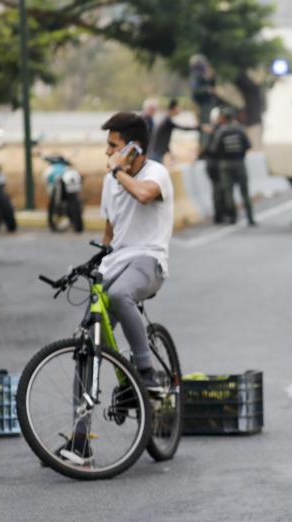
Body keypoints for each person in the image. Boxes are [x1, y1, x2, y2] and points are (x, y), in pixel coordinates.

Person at [99, 112, 174, 394]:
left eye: (113, 146)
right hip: (114, 265)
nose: (107, 152)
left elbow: (143, 194)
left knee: (119, 295)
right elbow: (109, 232)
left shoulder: (156, 173)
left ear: (134, 149)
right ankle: (78, 432)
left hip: (148, 261)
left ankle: (146, 372)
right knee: (87, 344)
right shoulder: (110, 182)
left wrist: (118, 172)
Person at [206, 107, 254, 225]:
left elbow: (214, 149)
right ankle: (250, 218)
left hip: (225, 164)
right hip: (239, 163)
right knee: (244, 190)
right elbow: (248, 145)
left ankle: (233, 217)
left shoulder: (221, 131)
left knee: (228, 192)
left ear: (223, 118)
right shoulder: (240, 129)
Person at [148, 98, 201, 165]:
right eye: (179, 108)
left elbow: (162, 139)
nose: (180, 110)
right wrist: (199, 127)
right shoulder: (167, 121)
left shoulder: (165, 119)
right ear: (174, 108)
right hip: (156, 153)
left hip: (157, 152)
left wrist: (169, 151)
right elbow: (183, 128)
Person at [189, 54, 217, 148]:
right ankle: (203, 146)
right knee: (203, 125)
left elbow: (212, 85)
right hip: (200, 104)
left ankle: (206, 145)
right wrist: (206, 89)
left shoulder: (204, 73)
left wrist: (212, 77)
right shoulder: (195, 75)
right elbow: (195, 89)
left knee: (207, 124)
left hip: (206, 103)